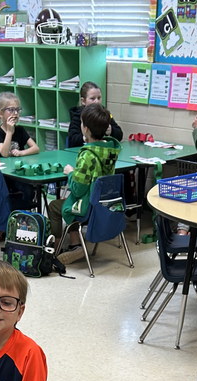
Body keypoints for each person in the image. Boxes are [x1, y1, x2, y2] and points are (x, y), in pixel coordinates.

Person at [47, 103, 121, 263]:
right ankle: (74, 244)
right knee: (69, 202)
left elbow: (78, 189)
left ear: (85, 129)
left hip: (89, 207)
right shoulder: (110, 150)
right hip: (105, 205)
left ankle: (57, 250)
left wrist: (70, 172)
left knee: (54, 206)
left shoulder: (87, 155)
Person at [66, 81, 123, 149]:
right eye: (92, 99)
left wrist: (111, 130)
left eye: (99, 98)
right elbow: (72, 141)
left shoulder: (103, 113)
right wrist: (89, 135)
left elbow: (120, 135)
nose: (97, 101)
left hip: (101, 150)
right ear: (83, 101)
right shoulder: (78, 116)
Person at [0, 92, 39, 158]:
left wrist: (21, 153)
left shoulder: (20, 130)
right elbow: (4, 154)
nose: (16, 113)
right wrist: (9, 132)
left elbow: (36, 148)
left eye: (17, 109)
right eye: (11, 110)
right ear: (1, 113)